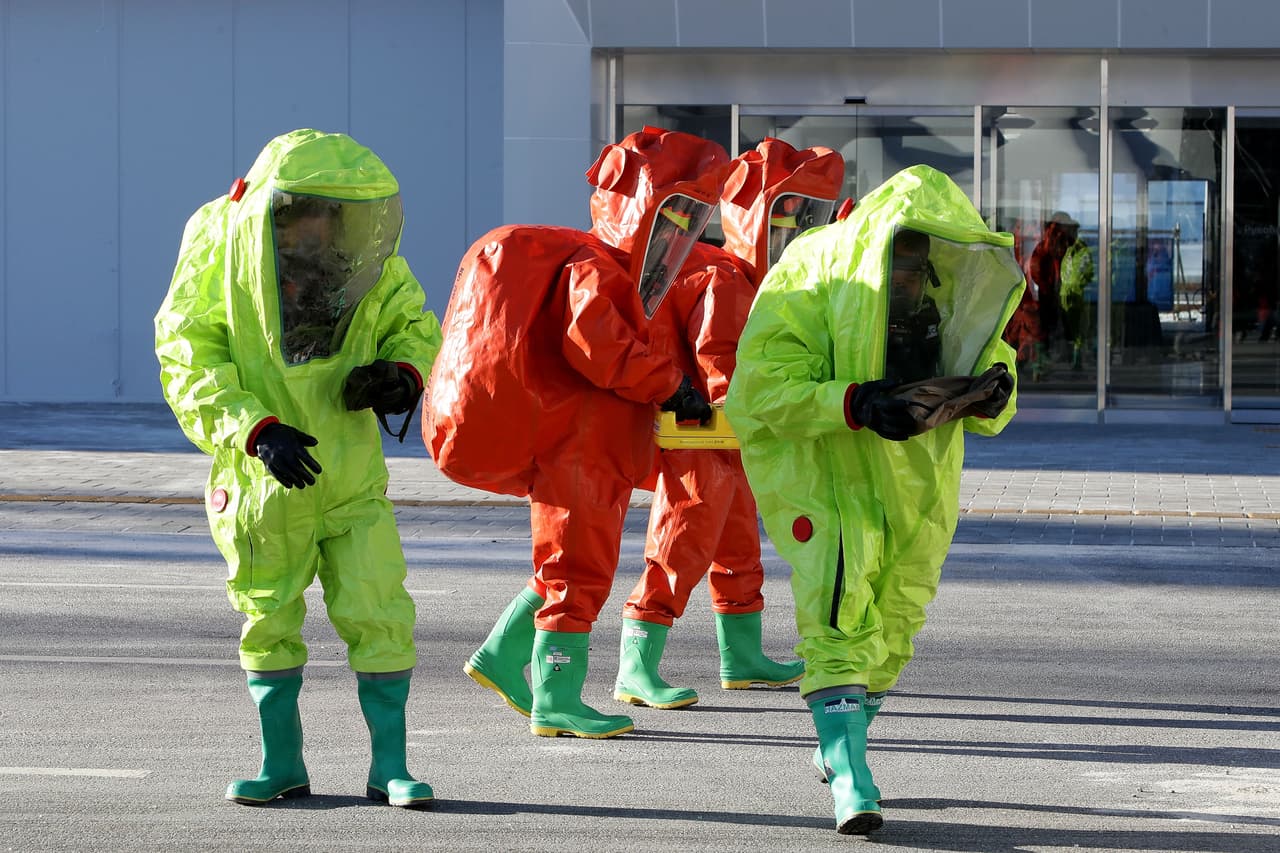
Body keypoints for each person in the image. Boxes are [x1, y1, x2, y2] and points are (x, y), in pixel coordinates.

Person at [724, 164, 1022, 835]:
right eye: (903, 262)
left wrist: (996, 393)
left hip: (922, 483)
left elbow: (991, 358)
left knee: (895, 626)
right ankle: (853, 776)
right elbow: (759, 386)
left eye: (922, 265)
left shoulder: (941, 298)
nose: (912, 278)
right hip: (833, 472)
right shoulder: (813, 271)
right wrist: (853, 402)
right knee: (838, 615)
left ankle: (841, 739)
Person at [154, 129, 442, 808]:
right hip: (264, 482)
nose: (317, 227)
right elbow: (188, 354)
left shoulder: (361, 258)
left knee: (380, 608)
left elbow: (412, 321)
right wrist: (254, 430)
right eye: (305, 211)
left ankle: (390, 767)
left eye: (328, 214)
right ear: (276, 211)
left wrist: (402, 374)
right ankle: (279, 761)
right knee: (268, 617)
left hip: (349, 472)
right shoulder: (221, 252)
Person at [424, 127, 725, 738]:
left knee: (564, 563)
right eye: (674, 213)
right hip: (583, 447)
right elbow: (600, 346)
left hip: (592, 442)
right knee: (578, 567)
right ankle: (557, 697)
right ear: (639, 206)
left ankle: (505, 657)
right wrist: (672, 386)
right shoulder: (598, 268)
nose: (682, 232)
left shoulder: (609, 267)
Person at [608, 137, 843, 710]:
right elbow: (722, 366)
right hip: (703, 433)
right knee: (682, 541)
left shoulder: (749, 281)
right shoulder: (728, 281)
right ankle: (636, 664)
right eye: (789, 220)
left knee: (737, 544)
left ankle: (742, 656)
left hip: (727, 436)